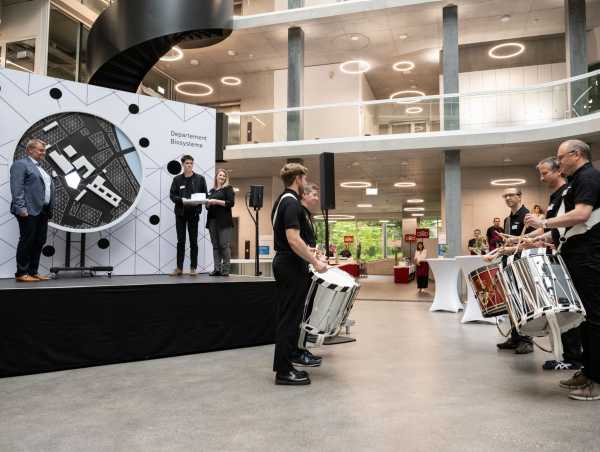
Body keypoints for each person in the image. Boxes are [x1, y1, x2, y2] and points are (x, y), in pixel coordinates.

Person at [526, 140, 600, 401]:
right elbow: (569, 226)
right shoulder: (579, 180)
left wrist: (543, 222)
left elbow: (581, 215)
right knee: (585, 318)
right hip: (578, 254)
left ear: (576, 154)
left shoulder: (589, 177)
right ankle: (588, 371)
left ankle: (596, 380)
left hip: (589, 256)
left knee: (593, 319)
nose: (559, 163)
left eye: (561, 158)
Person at [518, 157, 583, 371]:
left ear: (558, 171)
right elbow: (553, 230)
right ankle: (568, 355)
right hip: (562, 254)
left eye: (545, 173)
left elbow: (563, 224)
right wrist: (527, 239)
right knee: (562, 306)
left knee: (568, 307)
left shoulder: (568, 193)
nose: (541, 177)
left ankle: (573, 357)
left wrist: (543, 228)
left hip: (577, 256)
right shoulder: (556, 196)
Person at [271, 163, 327, 385]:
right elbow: (293, 240)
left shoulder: (281, 201)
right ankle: (283, 371)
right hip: (290, 265)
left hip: (286, 262)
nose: (306, 182)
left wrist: (309, 252)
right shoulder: (292, 203)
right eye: (304, 178)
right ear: (297, 179)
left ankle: (287, 362)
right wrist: (315, 261)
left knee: (290, 317)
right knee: (289, 318)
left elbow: (290, 239)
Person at [496, 187, 535, 354]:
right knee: (512, 301)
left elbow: (533, 242)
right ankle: (515, 337)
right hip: (508, 263)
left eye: (511, 195)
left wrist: (513, 249)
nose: (508, 198)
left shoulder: (528, 217)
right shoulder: (507, 220)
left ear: (520, 196)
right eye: (505, 195)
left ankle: (526, 340)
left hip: (522, 263)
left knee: (524, 301)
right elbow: (510, 243)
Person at [10, 139, 54, 282]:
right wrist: (21, 207)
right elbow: (17, 188)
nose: (43, 153)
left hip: (42, 210)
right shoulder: (21, 164)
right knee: (27, 240)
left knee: (39, 240)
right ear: (30, 150)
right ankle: (21, 273)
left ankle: (33, 271)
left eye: (44, 150)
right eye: (41, 150)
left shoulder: (40, 168)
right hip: (28, 210)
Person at [291, 182, 323, 367]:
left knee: (306, 310)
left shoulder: (307, 214)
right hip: (300, 266)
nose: (317, 198)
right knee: (301, 311)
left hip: (307, 265)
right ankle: (297, 351)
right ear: (304, 195)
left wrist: (316, 254)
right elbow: (298, 241)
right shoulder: (298, 213)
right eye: (314, 194)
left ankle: (302, 348)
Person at [169, 155, 207, 276]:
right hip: (180, 213)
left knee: (193, 241)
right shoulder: (177, 180)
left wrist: (199, 201)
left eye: (191, 163)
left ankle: (193, 268)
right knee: (181, 241)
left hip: (194, 213)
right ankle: (179, 268)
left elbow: (205, 195)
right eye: (187, 163)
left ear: (193, 165)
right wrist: (181, 200)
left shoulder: (200, 179)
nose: (189, 165)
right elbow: (172, 195)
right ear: (182, 165)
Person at [206, 169, 235, 277]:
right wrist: (208, 204)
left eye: (224, 175)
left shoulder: (228, 189)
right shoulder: (212, 191)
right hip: (212, 221)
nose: (222, 177)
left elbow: (230, 203)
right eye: (220, 175)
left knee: (224, 245)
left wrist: (215, 201)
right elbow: (207, 206)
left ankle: (226, 270)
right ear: (216, 177)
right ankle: (216, 269)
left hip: (224, 222)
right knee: (215, 246)